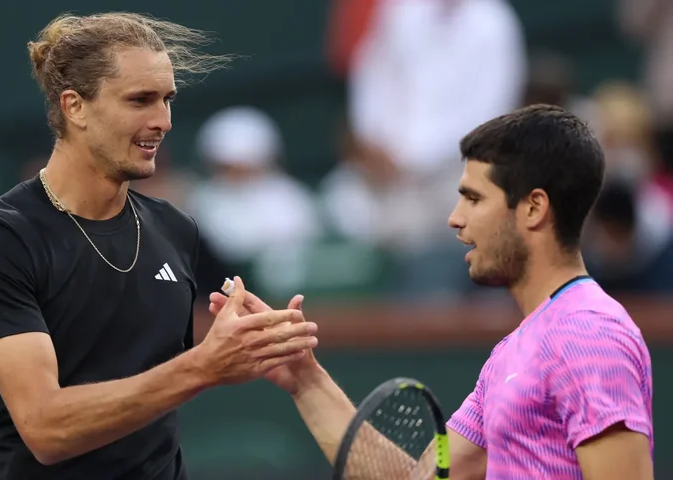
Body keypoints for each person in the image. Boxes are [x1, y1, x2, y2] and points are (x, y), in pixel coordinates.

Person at [0, 12, 318, 480]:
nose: (163, 121)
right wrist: (201, 367)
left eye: (167, 100)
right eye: (140, 100)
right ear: (75, 107)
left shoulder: (177, 230)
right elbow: (46, 427)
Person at [210, 105, 655, 479]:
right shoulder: (512, 353)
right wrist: (305, 380)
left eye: (474, 199)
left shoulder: (587, 334)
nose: (455, 218)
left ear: (533, 208)